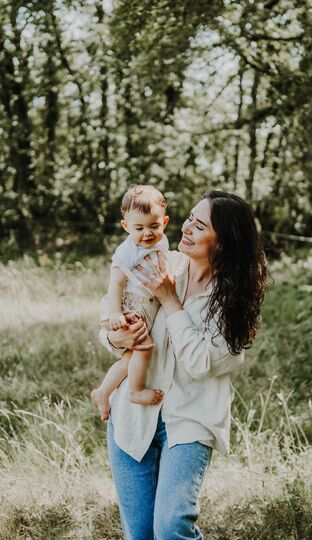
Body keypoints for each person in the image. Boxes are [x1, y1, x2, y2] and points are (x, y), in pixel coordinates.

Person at [99, 191, 268, 540]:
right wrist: (118, 336)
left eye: (200, 225)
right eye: (190, 217)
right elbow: (111, 319)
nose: (187, 227)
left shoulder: (232, 299)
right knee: (141, 532)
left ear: (223, 242)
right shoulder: (163, 263)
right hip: (133, 416)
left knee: (171, 526)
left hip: (189, 421)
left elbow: (203, 362)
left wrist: (169, 301)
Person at [92, 185, 170, 421]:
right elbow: (115, 284)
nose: (147, 233)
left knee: (130, 358)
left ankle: (103, 391)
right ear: (126, 226)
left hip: (140, 307)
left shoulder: (161, 243)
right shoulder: (127, 251)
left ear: (164, 222)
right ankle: (135, 391)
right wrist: (116, 313)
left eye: (154, 226)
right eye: (139, 228)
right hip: (127, 308)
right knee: (144, 348)